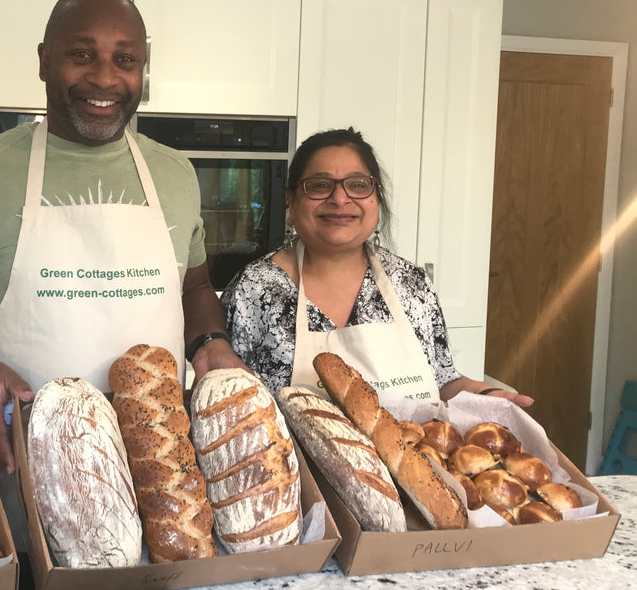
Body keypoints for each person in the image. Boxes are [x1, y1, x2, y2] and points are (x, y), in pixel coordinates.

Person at [0, 0, 247, 474]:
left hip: (160, 463)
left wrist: (211, 341)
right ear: (43, 61)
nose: (104, 78)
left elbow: (196, 286)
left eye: (125, 60)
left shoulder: (175, 174)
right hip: (22, 460)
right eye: (81, 54)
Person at [221, 127, 533, 409]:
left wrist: (488, 397)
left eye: (358, 185)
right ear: (291, 202)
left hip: (413, 464)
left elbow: (444, 382)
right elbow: (232, 402)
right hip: (297, 472)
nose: (340, 198)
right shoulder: (255, 289)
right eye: (319, 186)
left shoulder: (410, 284)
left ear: (376, 198)